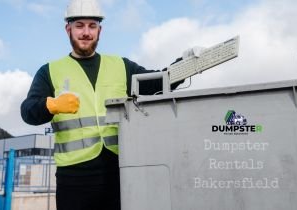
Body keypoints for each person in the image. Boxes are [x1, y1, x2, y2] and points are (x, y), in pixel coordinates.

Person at [20, 0, 182, 209]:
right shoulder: (50, 71)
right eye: (79, 25)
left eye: (92, 26)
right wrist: (50, 105)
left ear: (100, 30)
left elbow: (157, 83)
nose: (86, 32)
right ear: (67, 29)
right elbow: (27, 111)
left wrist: (183, 67)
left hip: (118, 172)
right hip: (73, 178)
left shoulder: (121, 66)